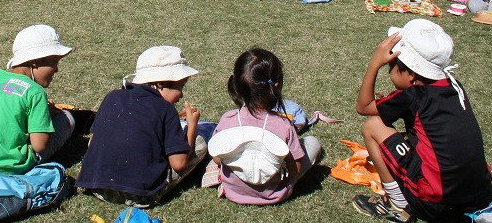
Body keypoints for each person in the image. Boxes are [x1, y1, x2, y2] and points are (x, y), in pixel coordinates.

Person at [352, 19, 492, 222]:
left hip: (437, 202)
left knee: (372, 126)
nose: (389, 70)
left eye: (391, 66)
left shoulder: (414, 95)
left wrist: (374, 63)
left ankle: (399, 205)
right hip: (478, 194)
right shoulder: (454, 86)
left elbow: (363, 107)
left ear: (410, 74)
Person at [78, 46, 205, 207]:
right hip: (142, 194)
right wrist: (192, 126)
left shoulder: (112, 96)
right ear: (160, 83)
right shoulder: (166, 109)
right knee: (200, 142)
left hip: (98, 187)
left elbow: (91, 143)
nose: (181, 94)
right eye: (181, 85)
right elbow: (178, 163)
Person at [0, 24, 75, 174]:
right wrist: (47, 116)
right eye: (54, 62)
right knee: (66, 118)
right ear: (37, 61)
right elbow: (39, 145)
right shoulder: (35, 92)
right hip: (8, 166)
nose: (56, 69)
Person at [210, 48, 322, 205]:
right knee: (312, 142)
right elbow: (295, 168)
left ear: (236, 83)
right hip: (275, 193)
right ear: (276, 85)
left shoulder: (227, 120)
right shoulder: (283, 125)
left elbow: (217, 158)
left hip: (233, 191)